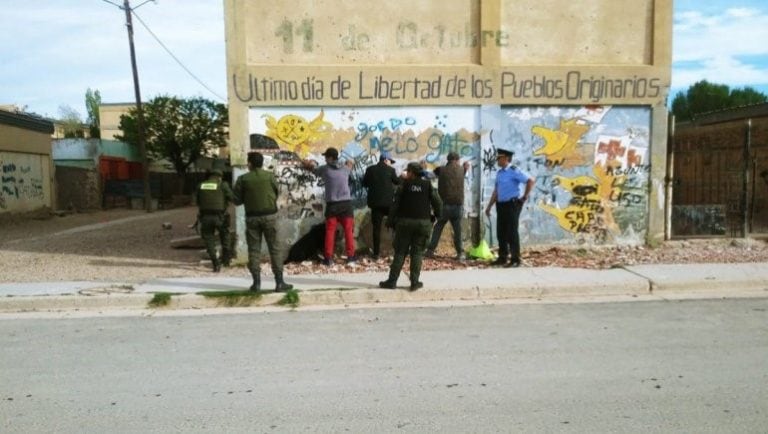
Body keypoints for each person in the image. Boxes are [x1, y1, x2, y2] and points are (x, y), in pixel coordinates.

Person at [233, 152, 293, 292]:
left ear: (249, 164)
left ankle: (256, 284)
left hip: (252, 218)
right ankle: (279, 283)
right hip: (270, 216)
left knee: (254, 250)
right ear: (261, 163)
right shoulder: (270, 176)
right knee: (275, 249)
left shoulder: (243, 179)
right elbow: (276, 192)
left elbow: (237, 200)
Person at [379, 162, 442, 291]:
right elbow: (438, 202)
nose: (406, 173)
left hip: (404, 223)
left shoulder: (403, 186)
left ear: (412, 173)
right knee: (417, 252)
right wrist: (437, 215)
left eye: (408, 171)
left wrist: (390, 221)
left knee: (400, 252)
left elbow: (395, 206)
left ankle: (392, 281)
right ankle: (414, 282)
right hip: (423, 223)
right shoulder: (428, 185)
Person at [301, 147, 357, 266]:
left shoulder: (325, 169)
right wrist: (349, 162)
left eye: (326, 157)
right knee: (348, 232)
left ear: (330, 158)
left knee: (330, 232)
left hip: (332, 206)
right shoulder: (346, 169)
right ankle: (351, 257)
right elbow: (351, 164)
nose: (325, 159)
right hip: (346, 204)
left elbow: (313, 169)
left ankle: (328, 258)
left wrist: (306, 163)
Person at [484, 148, 535, 268]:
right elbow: (496, 191)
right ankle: (502, 257)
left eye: (499, 158)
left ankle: (515, 259)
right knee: (501, 232)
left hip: (512, 205)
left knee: (512, 232)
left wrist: (524, 197)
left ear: (506, 158)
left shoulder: (514, 170)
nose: (497, 160)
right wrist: (489, 206)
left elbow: (530, 181)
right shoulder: (500, 173)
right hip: (501, 205)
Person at [425, 152, 470, 261]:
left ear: (448, 160)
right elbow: (464, 174)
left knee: (438, 227)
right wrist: (466, 167)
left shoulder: (441, 169)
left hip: (444, 205)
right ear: (457, 159)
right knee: (457, 230)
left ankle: (430, 251)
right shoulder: (462, 170)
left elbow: (429, 175)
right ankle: (460, 253)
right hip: (458, 205)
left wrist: (421, 169)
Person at [362, 150, 401, 259]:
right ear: (386, 160)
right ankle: (397, 251)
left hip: (375, 204)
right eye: (390, 161)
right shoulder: (391, 170)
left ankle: (376, 253)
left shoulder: (370, 169)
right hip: (389, 204)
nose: (390, 164)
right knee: (395, 226)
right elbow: (398, 182)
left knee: (376, 229)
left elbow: (364, 183)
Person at [196, 168, 234, 272]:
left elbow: (198, 202)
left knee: (209, 239)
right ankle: (226, 260)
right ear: (220, 177)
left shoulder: (201, 185)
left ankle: (215, 263)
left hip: (205, 217)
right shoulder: (223, 185)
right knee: (225, 236)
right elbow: (232, 198)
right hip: (220, 217)